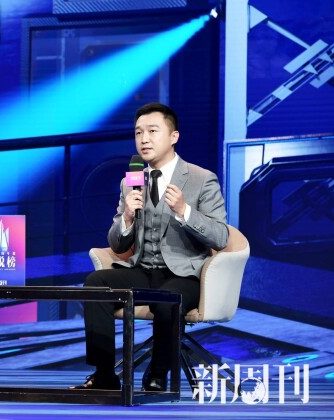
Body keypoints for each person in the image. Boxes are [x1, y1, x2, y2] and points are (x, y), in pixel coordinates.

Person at [72, 103, 228, 391]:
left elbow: (220, 237)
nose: (144, 139)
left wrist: (185, 211)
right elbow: (116, 243)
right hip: (143, 270)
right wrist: (127, 219)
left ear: (173, 136)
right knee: (95, 284)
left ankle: (157, 373)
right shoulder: (130, 182)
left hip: (184, 274)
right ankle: (104, 374)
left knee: (167, 299)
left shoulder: (201, 179)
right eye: (138, 133)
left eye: (152, 131)